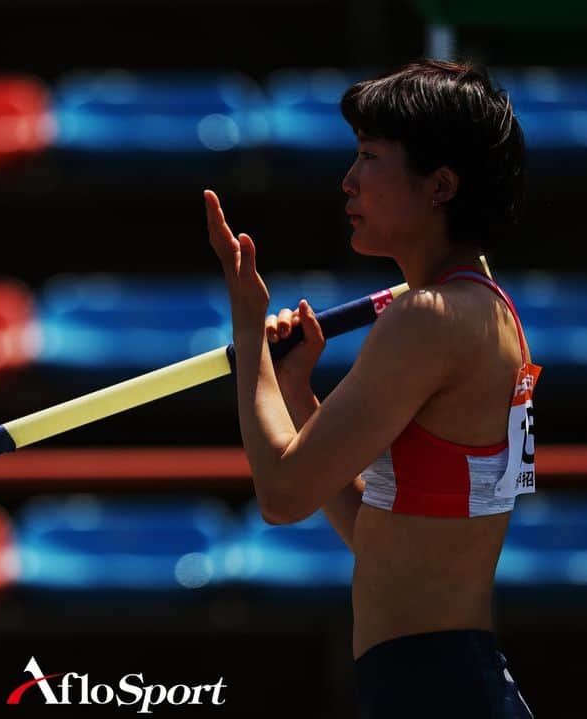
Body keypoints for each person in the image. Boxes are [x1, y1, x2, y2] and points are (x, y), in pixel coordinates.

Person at [205, 58, 538, 718]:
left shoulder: (428, 319)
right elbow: (381, 538)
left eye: (369, 156)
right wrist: (298, 393)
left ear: (440, 184)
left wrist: (248, 333)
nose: (348, 181)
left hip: (436, 688)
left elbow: (279, 492)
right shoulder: (499, 321)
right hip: (452, 680)